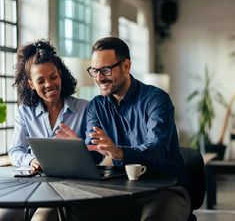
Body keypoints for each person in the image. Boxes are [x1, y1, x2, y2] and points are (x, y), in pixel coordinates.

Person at [55, 36, 191, 221]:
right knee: (69, 214)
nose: (99, 78)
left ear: (126, 66)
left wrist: (120, 153)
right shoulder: (96, 106)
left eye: (105, 70)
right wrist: (78, 148)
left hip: (166, 190)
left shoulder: (156, 100)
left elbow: (158, 150)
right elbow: (95, 153)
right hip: (120, 191)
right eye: (94, 71)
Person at [0, 39, 88, 221]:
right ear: (31, 84)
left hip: (70, 187)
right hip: (32, 184)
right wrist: (31, 160)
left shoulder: (84, 109)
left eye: (53, 77)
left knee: (42, 218)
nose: (49, 84)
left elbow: (97, 152)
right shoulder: (25, 112)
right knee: (4, 216)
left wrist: (79, 147)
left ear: (60, 75)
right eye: (41, 80)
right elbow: (16, 151)